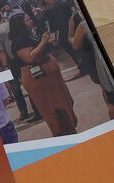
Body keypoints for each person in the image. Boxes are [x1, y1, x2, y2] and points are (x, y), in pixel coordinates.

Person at [7, 9, 77, 137]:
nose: (31, 21)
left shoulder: (28, 35)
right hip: (40, 79)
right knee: (55, 109)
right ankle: (65, 135)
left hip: (47, 77)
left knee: (64, 104)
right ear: (20, 25)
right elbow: (29, 58)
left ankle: (68, 131)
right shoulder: (19, 41)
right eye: (27, 20)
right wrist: (44, 41)